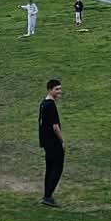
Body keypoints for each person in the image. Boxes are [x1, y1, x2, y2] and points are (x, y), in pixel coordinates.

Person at [39, 78, 66, 207]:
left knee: (49, 168)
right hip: (53, 142)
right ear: (50, 90)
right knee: (57, 168)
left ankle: (47, 195)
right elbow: (55, 126)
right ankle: (48, 196)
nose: (60, 91)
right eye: (57, 89)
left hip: (46, 142)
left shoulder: (43, 103)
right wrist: (62, 141)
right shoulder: (51, 105)